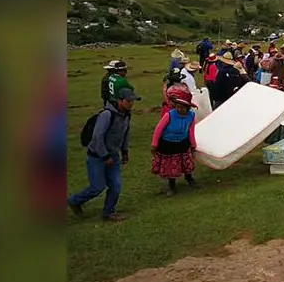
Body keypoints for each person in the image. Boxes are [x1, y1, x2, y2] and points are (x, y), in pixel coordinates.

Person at [68, 87, 138, 222]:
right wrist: (104, 156)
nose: (131, 103)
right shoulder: (106, 115)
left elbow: (125, 134)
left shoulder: (127, 115)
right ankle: (74, 201)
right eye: (128, 101)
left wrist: (124, 151)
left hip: (114, 155)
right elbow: (97, 137)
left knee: (116, 186)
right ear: (119, 101)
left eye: (132, 101)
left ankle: (108, 212)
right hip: (97, 156)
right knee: (97, 187)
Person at [151, 86, 198, 196]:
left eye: (182, 107)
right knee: (171, 166)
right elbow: (159, 129)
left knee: (186, 164)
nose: (179, 109)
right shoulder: (169, 115)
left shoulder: (191, 116)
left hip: (182, 143)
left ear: (187, 107)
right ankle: (171, 186)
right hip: (168, 144)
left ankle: (189, 178)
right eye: (177, 106)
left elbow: (191, 130)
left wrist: (193, 144)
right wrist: (154, 144)